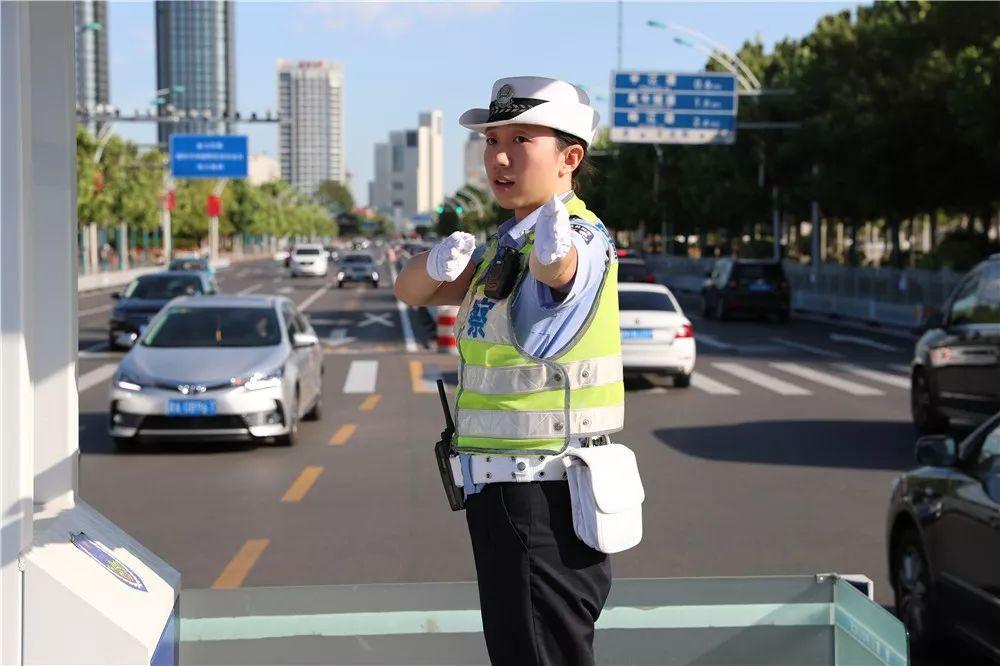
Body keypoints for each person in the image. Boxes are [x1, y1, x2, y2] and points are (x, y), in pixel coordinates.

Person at [395, 76, 623, 665]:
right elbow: (412, 291)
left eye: (520, 139)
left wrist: (554, 261)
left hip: (542, 493)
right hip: (504, 490)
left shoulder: (577, 233)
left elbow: (563, 279)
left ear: (570, 157)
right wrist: (433, 261)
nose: (497, 156)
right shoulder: (508, 244)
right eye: (492, 140)